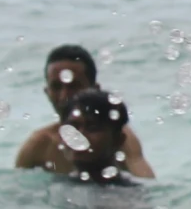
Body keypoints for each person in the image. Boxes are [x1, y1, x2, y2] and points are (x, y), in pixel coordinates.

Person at [14, 45, 154, 178]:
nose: (64, 96)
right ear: (47, 92)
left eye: (74, 86)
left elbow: (145, 183)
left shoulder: (117, 138)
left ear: (95, 89)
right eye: (56, 87)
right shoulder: (40, 144)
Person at [23, 88, 138, 184]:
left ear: (118, 140)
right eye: (73, 127)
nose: (79, 136)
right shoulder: (53, 187)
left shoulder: (129, 198)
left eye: (92, 128)